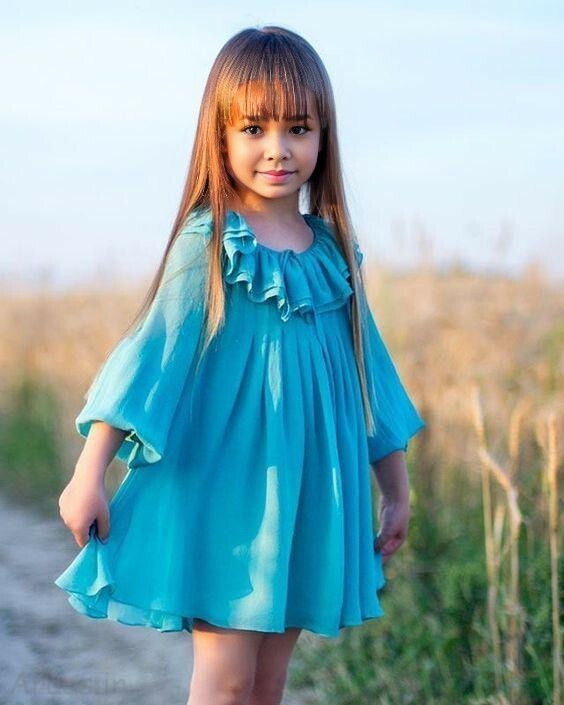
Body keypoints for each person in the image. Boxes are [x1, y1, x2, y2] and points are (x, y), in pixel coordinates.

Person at [54, 24, 426, 705]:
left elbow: (369, 376)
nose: (278, 148)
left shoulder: (334, 254)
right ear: (219, 136)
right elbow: (149, 359)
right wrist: (89, 472)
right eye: (254, 128)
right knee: (225, 682)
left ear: (323, 136)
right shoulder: (210, 244)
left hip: (308, 493)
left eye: (298, 128)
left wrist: (395, 489)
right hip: (228, 494)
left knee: (266, 685)